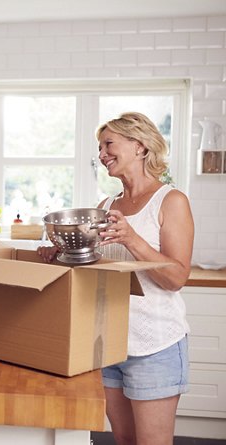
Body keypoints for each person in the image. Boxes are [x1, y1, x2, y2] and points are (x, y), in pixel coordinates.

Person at [38, 112, 194, 445]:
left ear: (139, 146)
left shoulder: (171, 201)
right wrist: (62, 253)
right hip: (109, 343)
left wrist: (132, 238)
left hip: (156, 345)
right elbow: (96, 269)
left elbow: (177, 277)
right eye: (99, 147)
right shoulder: (106, 206)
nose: (102, 153)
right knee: (123, 440)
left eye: (109, 144)